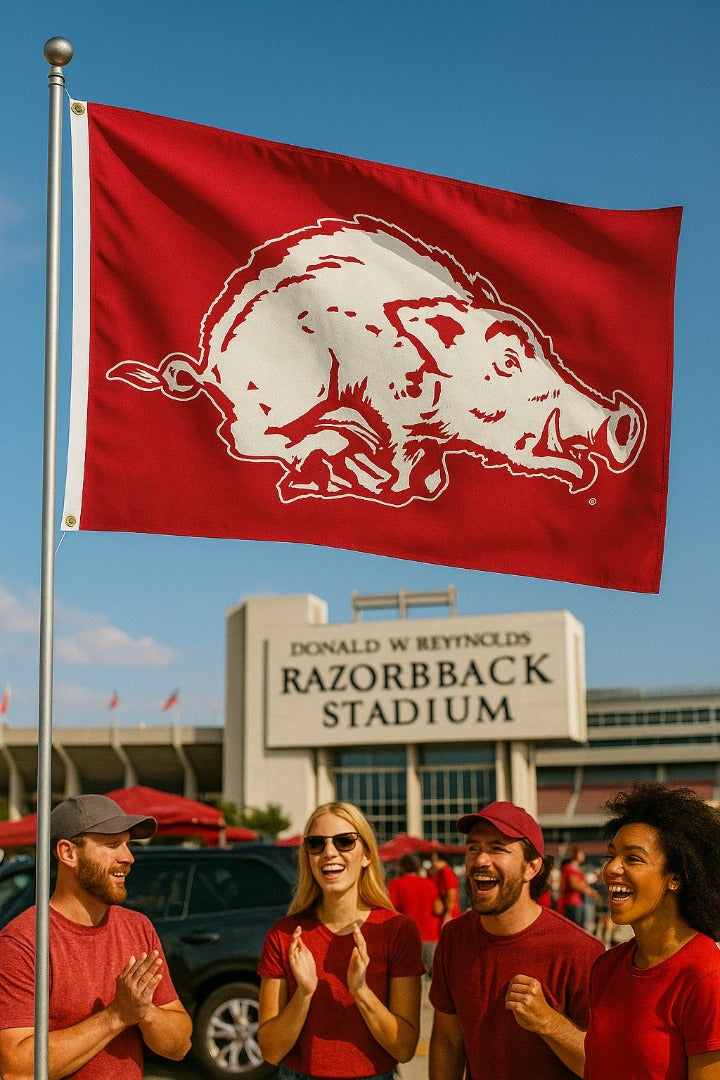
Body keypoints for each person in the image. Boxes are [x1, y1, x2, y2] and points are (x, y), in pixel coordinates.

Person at [0, 794, 192, 1080]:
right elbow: (18, 1069)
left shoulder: (138, 927)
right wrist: (116, 1016)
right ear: (68, 853)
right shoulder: (22, 940)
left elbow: (180, 1046)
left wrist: (146, 1013)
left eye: (128, 844)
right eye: (112, 844)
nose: (128, 857)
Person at [429, 800, 604, 1080]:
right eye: (473, 848)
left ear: (531, 867)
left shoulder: (581, 951)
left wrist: (548, 1021)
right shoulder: (454, 937)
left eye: (497, 848)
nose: (480, 860)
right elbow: (448, 1042)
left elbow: (604, 1066)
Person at [257, 800, 423, 1079]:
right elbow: (270, 1051)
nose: (329, 853)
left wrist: (361, 991)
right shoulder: (284, 934)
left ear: (367, 855)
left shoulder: (397, 930)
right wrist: (304, 994)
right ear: (307, 856)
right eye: (316, 844)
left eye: (345, 842)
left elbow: (404, 1048)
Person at [584, 783, 720, 1080]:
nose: (612, 869)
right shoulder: (605, 968)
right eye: (611, 856)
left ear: (675, 878)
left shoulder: (708, 978)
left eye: (632, 858)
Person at [388, 853, 441, 975]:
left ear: (401, 867)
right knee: (433, 977)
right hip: (431, 935)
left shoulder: (395, 884)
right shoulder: (429, 883)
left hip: (407, 937)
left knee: (412, 977)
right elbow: (438, 909)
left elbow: (391, 910)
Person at [557, 844, 600, 927]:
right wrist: (592, 892)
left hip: (578, 902)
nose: (583, 856)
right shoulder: (569, 868)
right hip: (571, 903)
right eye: (581, 853)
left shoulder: (577, 869)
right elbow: (575, 885)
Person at [429, 850, 460, 926]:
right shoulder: (440, 872)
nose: (434, 863)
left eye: (435, 860)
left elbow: (451, 891)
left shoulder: (446, 871)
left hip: (449, 913)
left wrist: (448, 913)